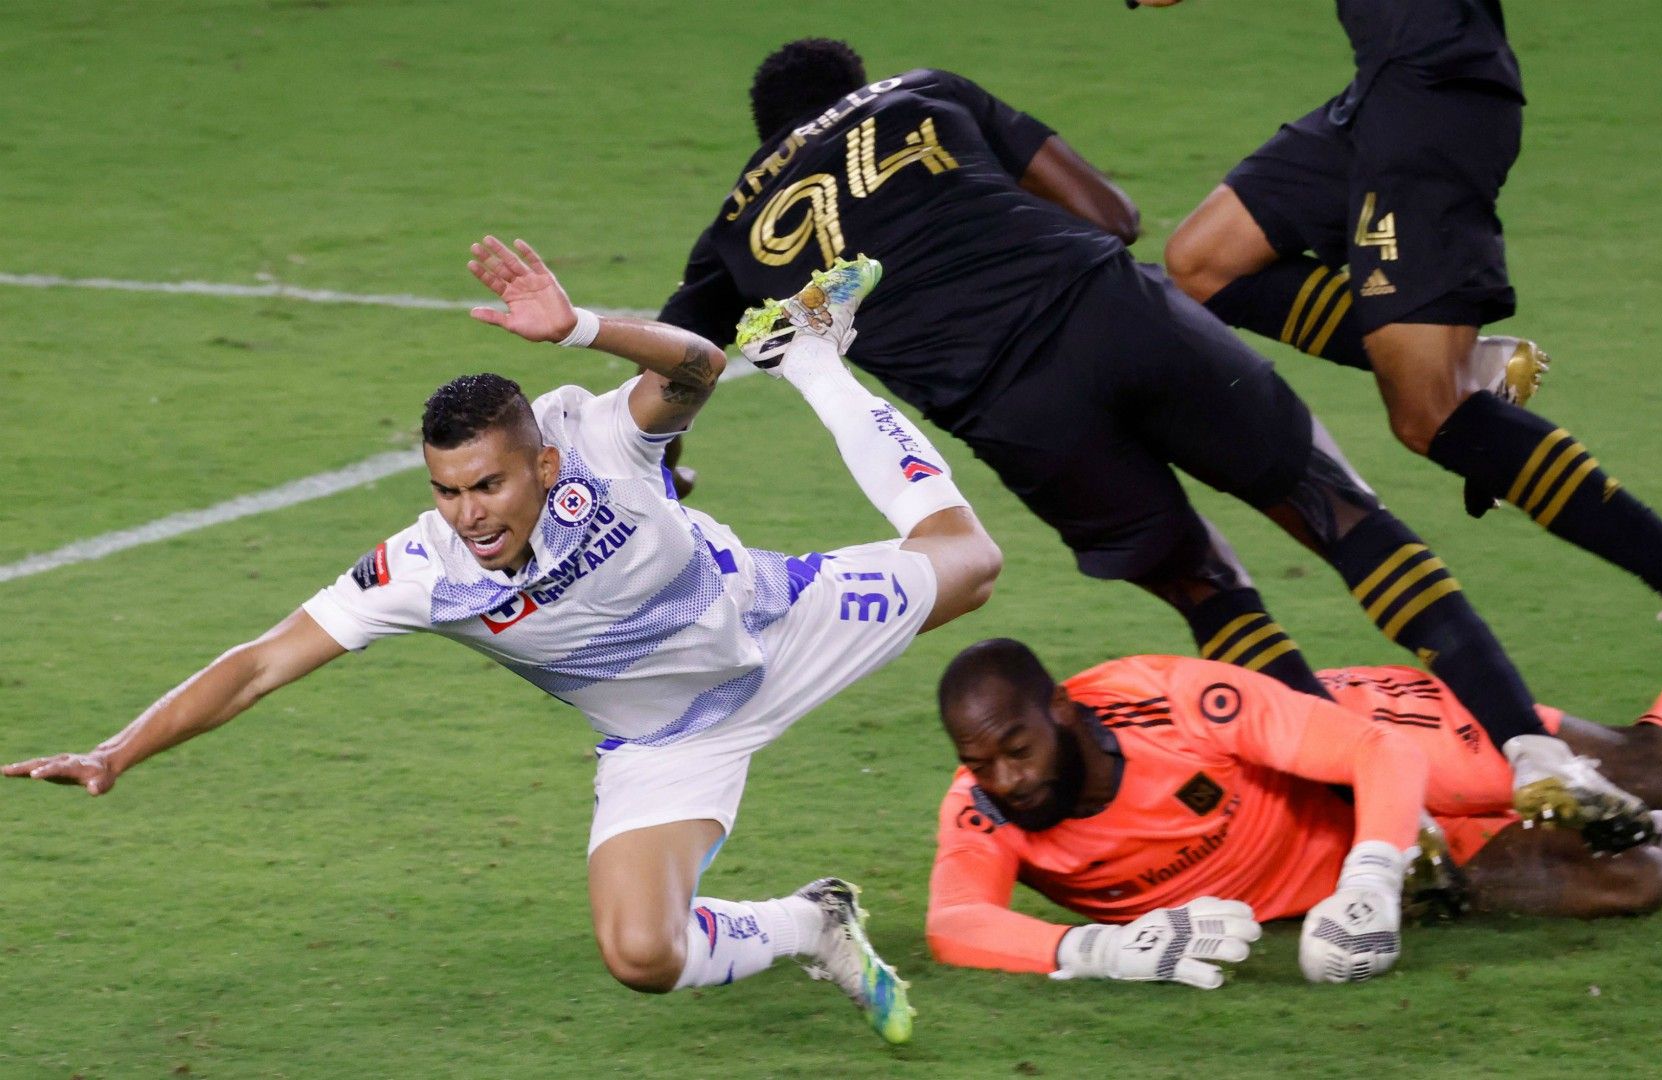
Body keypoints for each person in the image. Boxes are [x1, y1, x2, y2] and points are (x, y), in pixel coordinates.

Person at [660, 37, 1662, 848]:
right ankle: (1530, 750)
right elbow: (1114, 211)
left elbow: (669, 367)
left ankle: (1370, 825)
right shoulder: (921, 90)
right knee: (1336, 512)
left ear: (765, 140)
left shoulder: (733, 230)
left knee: (1207, 588)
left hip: (1017, 413)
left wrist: (667, 461)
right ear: (855, 87)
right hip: (1109, 310)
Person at [3, 240, 1003, 1045]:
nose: (468, 512)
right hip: (670, 742)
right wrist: (118, 749)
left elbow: (698, 365)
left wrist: (578, 328)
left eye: (489, 484)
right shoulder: (421, 571)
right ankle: (813, 924)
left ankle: (815, 355)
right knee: (640, 955)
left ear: (542, 461)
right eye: (446, 489)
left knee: (971, 562)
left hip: (785, 628)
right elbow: (261, 661)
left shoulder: (598, 442)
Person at [1140, 0, 1662, 665]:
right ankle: (1476, 373)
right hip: (1381, 98)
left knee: (1427, 416)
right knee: (1205, 261)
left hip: (1435, 113)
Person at [923, 560, 1662, 987]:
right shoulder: (989, 805)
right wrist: (1096, 953)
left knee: (1653, 766)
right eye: (981, 763)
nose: (1004, 779)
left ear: (1063, 711)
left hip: (1378, 758)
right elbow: (954, 923)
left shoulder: (1178, 703)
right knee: (1635, 885)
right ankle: (1597, 831)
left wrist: (1363, 876)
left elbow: (1374, 753)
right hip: (1402, 869)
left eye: (1016, 748)